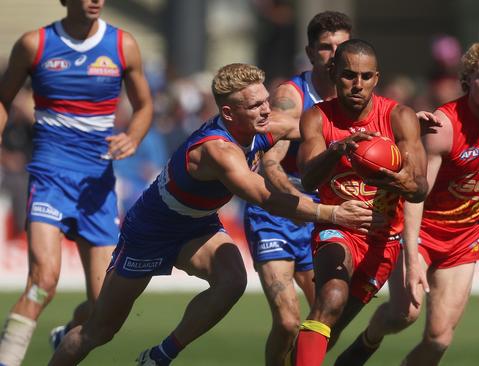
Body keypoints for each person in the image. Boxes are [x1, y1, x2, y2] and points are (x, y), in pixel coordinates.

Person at [47, 63, 377, 366]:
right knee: (100, 331)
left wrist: (382, 130)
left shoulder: (262, 122)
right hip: (150, 231)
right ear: (229, 113)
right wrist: (334, 214)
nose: (266, 110)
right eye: (255, 106)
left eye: (265, 101)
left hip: (197, 224)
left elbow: (318, 126)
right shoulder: (219, 151)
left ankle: (160, 356)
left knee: (232, 280)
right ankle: (69, 338)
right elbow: (266, 197)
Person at [335, 42, 479, 366]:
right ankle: (368, 341)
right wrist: (413, 258)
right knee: (404, 314)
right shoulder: (445, 126)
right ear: (467, 81)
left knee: (440, 339)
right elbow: (416, 193)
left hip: (463, 237)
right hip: (422, 229)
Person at [0, 0, 154, 364]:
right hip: (50, 176)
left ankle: (66, 333)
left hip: (97, 185)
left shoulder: (123, 45)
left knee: (105, 308)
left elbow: (145, 106)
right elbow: (3, 98)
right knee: (43, 282)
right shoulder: (34, 44)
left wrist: (133, 135)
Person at [292, 38, 428, 366]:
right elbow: (309, 178)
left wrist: (394, 180)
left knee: (332, 326)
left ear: (376, 78)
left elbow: (420, 188)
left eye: (366, 77)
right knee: (330, 300)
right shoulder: (316, 118)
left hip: (383, 239)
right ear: (333, 73)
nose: (358, 84)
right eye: (349, 75)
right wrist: (338, 149)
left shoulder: (400, 117)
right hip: (337, 225)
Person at [243, 11, 352, 366]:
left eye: (341, 46)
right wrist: (294, 200)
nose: (334, 54)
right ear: (310, 52)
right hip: (277, 211)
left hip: (320, 215)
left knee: (327, 320)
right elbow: (271, 161)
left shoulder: (356, 95)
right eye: (325, 47)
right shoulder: (292, 96)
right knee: (289, 321)